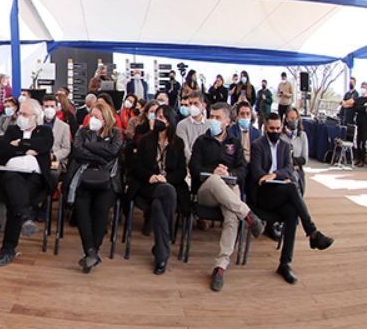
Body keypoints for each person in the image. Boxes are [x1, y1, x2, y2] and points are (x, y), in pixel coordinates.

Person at [248, 114, 334, 285]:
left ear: (281, 128)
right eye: (271, 129)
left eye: (277, 129)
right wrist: (274, 176)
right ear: (266, 128)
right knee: (292, 188)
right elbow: (257, 173)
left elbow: (289, 168)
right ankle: (312, 233)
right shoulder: (257, 145)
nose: (275, 131)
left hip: (281, 192)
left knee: (292, 211)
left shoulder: (286, 146)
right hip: (263, 194)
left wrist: (275, 175)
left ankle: (285, 263)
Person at [189, 102, 265, 292]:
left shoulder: (234, 143)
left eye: (217, 118)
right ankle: (248, 215)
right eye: (211, 117)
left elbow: (243, 169)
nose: (213, 121)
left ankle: (220, 267)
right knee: (216, 180)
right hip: (207, 190)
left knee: (232, 216)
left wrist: (228, 171)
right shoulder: (201, 141)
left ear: (227, 122)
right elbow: (194, 169)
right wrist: (213, 171)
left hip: (230, 187)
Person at [0, 99, 54, 266]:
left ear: (35, 117)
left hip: (35, 179)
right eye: (20, 114)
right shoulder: (12, 130)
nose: (21, 117)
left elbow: (44, 146)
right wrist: (28, 149)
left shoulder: (44, 132)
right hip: (10, 176)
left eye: (25, 115)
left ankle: (7, 249)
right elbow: (1, 150)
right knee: (13, 186)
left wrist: (19, 144)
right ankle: (25, 217)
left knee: (15, 200)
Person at [128, 104, 188, 274]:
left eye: (162, 117)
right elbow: (136, 167)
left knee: (158, 205)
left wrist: (166, 178)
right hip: (148, 185)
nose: (157, 119)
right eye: (156, 116)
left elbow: (181, 171)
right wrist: (151, 177)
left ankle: (161, 254)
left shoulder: (178, 143)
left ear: (169, 122)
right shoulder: (146, 140)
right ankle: (167, 240)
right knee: (167, 192)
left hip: (168, 187)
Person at [65, 102, 122, 273]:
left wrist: (90, 147)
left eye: (96, 117)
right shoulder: (83, 131)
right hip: (85, 177)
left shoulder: (116, 133)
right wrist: (100, 155)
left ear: (105, 119)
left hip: (108, 180)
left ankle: (93, 251)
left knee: (101, 210)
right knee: (81, 210)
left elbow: (113, 152)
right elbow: (77, 151)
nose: (92, 119)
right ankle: (90, 251)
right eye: (91, 116)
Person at [282, 107, 309, 194]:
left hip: (298, 169)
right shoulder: (281, 136)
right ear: (286, 119)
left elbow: (304, 159)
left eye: (296, 118)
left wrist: (292, 162)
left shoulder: (302, 135)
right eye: (291, 118)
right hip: (283, 170)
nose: (294, 120)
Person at [41, 94, 72, 169]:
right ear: (42, 107)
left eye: (52, 106)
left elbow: (66, 148)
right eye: (46, 106)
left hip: (55, 159)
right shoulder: (36, 123)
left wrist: (54, 156)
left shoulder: (64, 127)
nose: (49, 109)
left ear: (56, 107)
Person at [175, 91, 207, 161]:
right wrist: (194, 163)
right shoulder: (182, 125)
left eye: (196, 103)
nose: (192, 106)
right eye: (190, 103)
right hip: (189, 163)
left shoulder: (209, 125)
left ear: (203, 106)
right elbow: (184, 148)